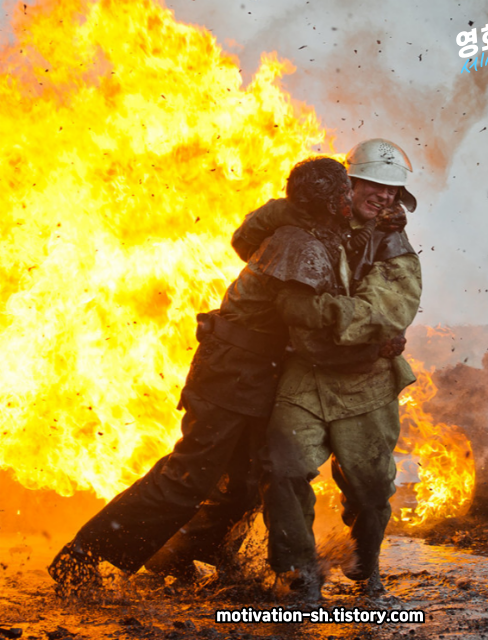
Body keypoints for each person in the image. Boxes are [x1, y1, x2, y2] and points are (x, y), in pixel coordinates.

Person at [47, 157, 357, 589]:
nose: (349, 198)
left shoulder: (303, 222)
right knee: (188, 476)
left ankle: (182, 555)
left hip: (254, 372)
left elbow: (247, 240)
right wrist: (362, 348)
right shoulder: (296, 244)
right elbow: (305, 323)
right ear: (326, 201)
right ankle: (83, 555)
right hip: (231, 372)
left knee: (245, 481)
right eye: (342, 192)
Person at [260, 139, 422, 599]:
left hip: (365, 380)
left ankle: (364, 562)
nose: (384, 195)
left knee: (371, 490)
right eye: (373, 183)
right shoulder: (309, 221)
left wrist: (316, 311)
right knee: (282, 468)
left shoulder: (393, 245)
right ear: (346, 184)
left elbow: (387, 311)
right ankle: (298, 572)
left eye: (392, 189)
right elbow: (253, 240)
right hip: (307, 374)